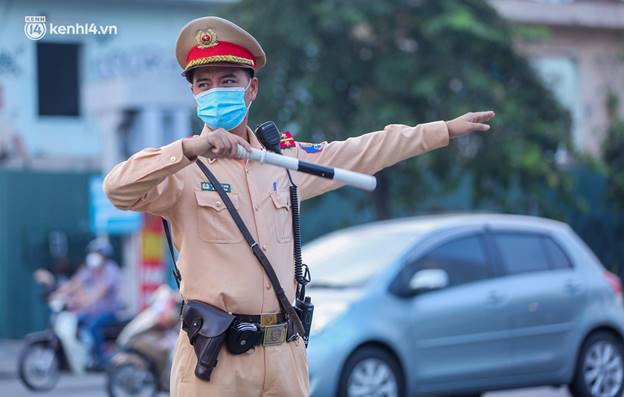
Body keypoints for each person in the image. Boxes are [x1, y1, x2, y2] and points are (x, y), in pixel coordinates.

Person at [103, 16, 495, 397]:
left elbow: (362, 151)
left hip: (284, 354)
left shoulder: (281, 162)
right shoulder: (183, 170)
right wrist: (191, 148)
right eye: (203, 84)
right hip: (214, 360)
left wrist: (442, 131)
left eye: (228, 81)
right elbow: (117, 188)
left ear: (251, 89)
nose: (214, 91)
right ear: (193, 94)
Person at [53, 238, 121, 369]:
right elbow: (75, 283)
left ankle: (100, 360)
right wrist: (59, 293)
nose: (94, 257)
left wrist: (83, 301)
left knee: (93, 327)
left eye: (97, 254)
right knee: (75, 322)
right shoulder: (90, 270)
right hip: (90, 311)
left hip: (108, 312)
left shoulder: (111, 271)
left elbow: (99, 292)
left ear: (105, 256)